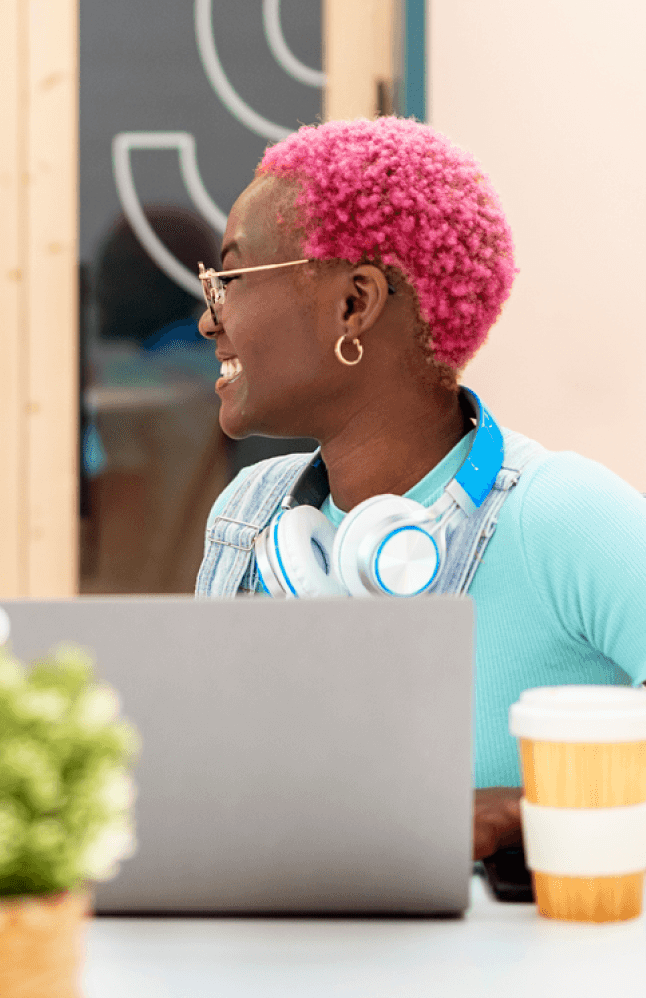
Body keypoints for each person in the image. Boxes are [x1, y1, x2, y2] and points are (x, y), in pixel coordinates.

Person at [192, 116, 646, 861]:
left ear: (354, 304)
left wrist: (542, 810)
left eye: (231, 278)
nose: (212, 318)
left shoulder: (560, 514)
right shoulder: (248, 514)